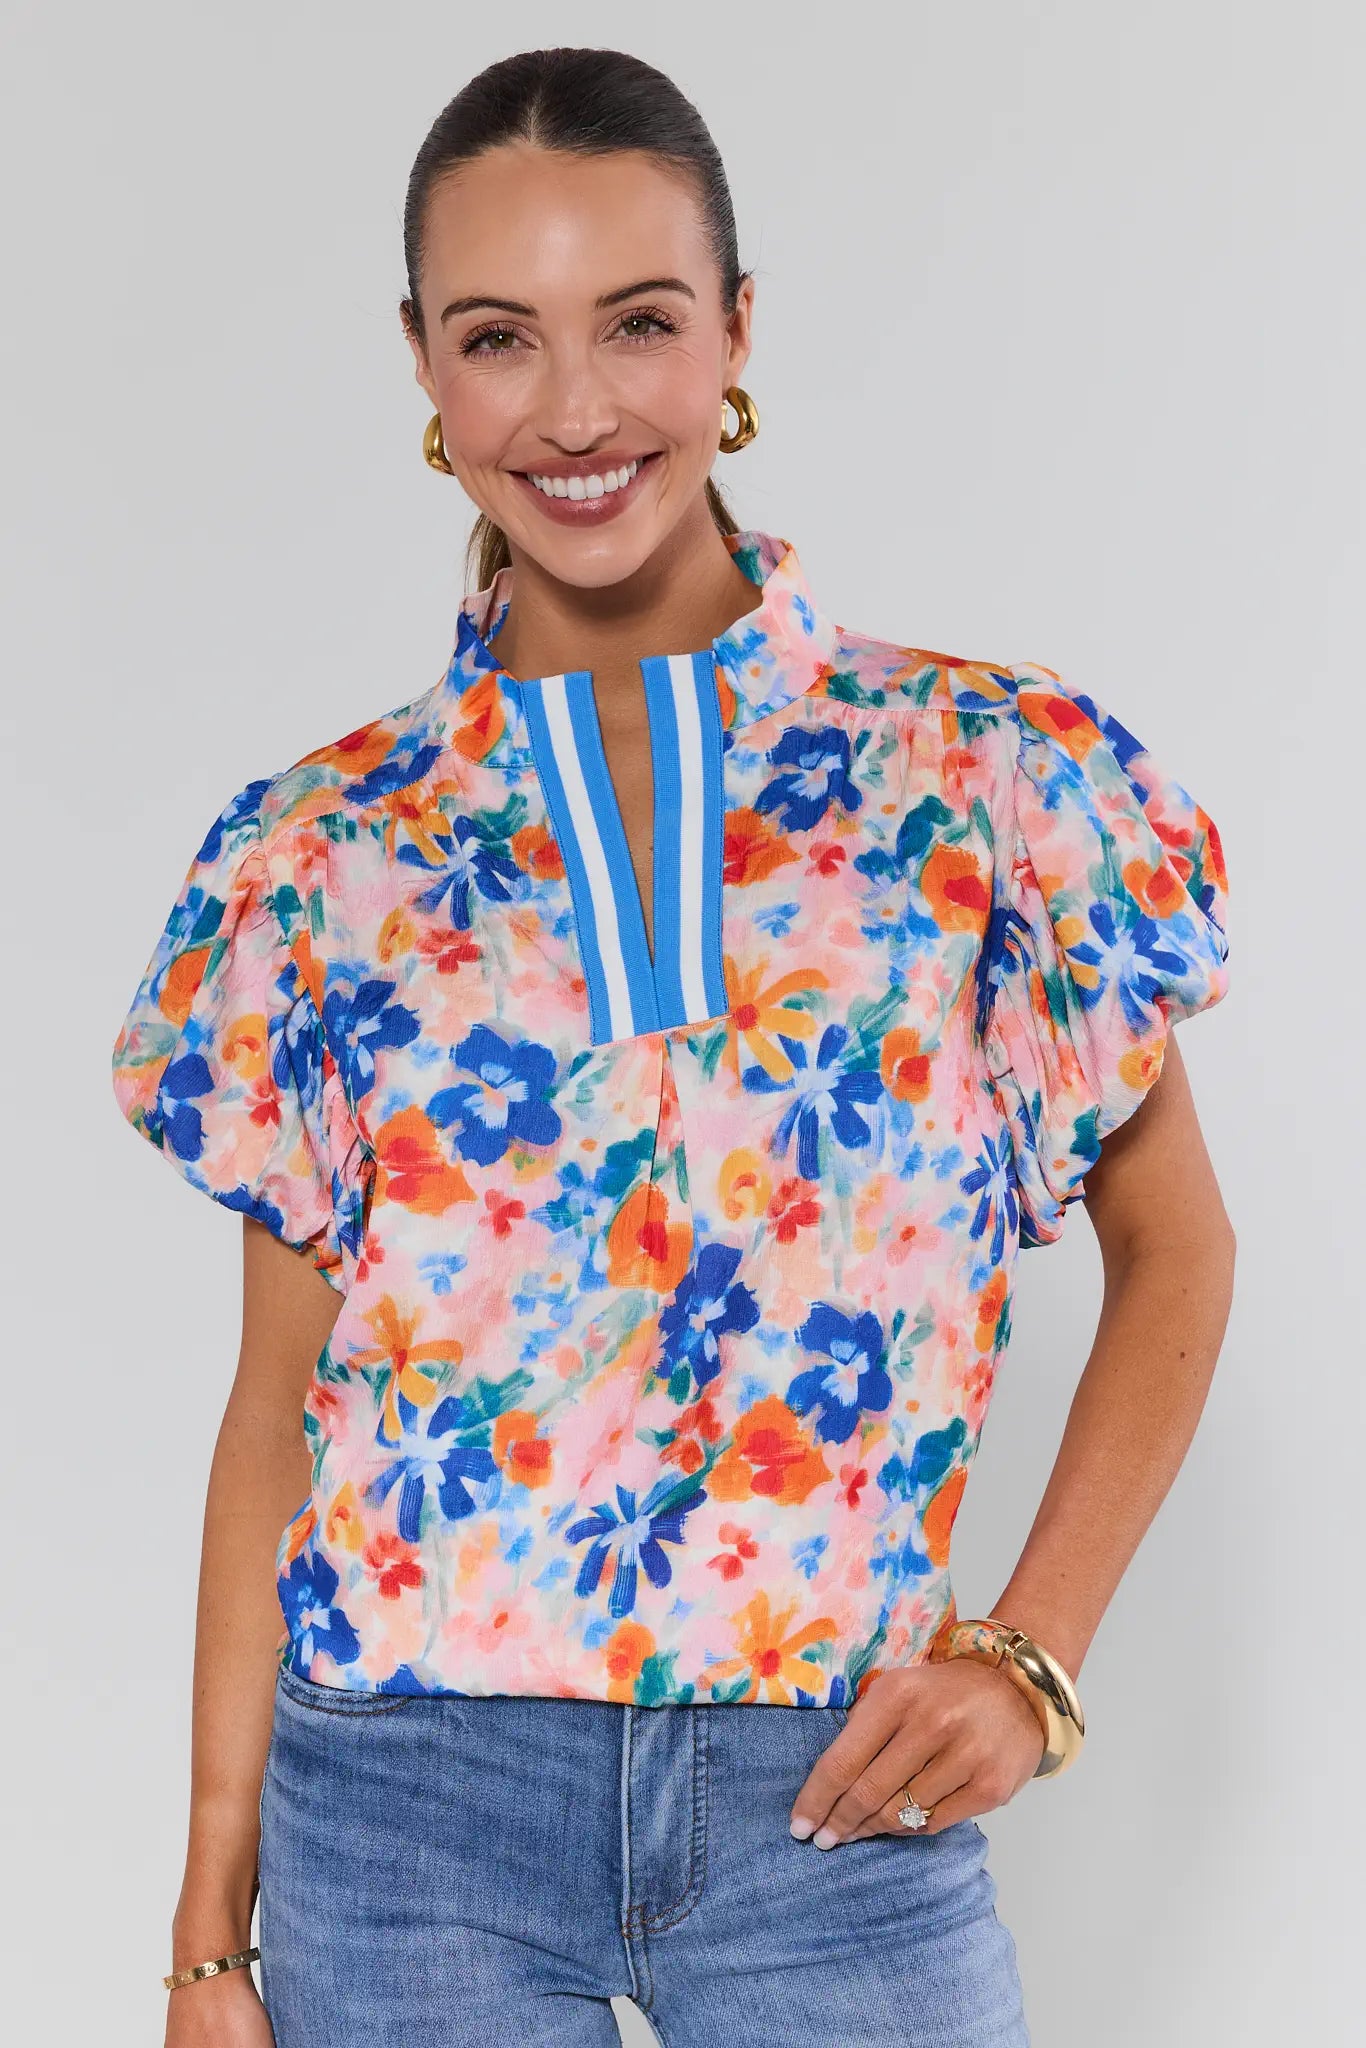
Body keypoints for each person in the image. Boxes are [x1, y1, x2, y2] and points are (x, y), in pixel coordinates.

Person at [111, 44, 1235, 2048]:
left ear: (734, 329)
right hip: (406, 1810)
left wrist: (1031, 1654)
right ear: (421, 366)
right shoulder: (316, 855)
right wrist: (208, 1936)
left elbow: (1177, 1250)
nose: (573, 409)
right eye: (496, 337)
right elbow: (277, 1407)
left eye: (636, 321)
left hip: (836, 1796)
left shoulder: (982, 772)